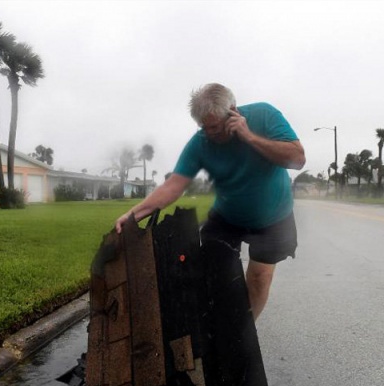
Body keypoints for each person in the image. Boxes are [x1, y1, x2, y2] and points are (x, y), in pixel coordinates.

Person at [115, 83, 305, 320]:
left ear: (233, 111)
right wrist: (132, 215)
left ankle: (242, 334)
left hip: (273, 216)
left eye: (215, 127)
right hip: (228, 215)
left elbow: (297, 159)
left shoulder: (264, 115)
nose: (210, 134)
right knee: (213, 270)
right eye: (204, 128)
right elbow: (173, 186)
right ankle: (215, 325)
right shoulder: (201, 141)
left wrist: (249, 137)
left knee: (258, 278)